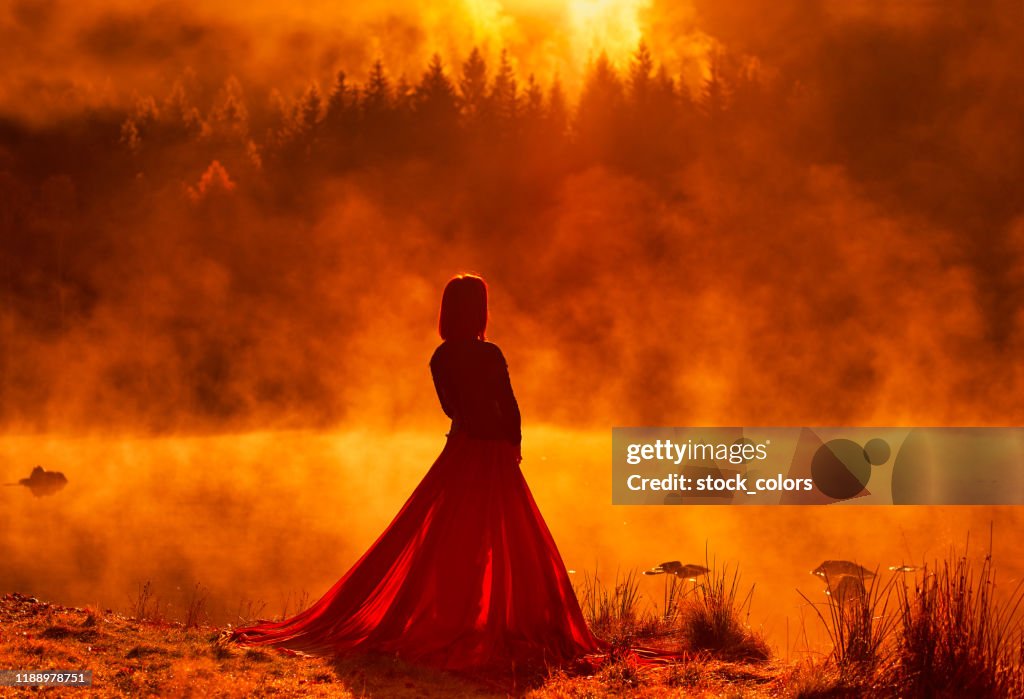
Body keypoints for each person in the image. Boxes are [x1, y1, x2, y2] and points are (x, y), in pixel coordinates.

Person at [228, 273, 603, 672]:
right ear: (480, 311)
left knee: (444, 535)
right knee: (505, 539)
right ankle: (487, 618)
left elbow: (450, 407)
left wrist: (476, 427)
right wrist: (513, 444)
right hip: (494, 453)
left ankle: (447, 615)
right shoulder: (490, 354)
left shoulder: (441, 357)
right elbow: (510, 406)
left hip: (461, 450)